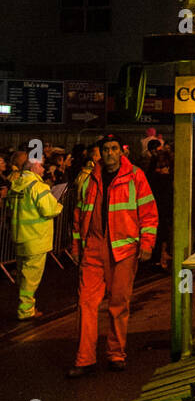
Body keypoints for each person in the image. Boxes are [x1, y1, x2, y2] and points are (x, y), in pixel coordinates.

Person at [68, 133, 158, 377]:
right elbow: (80, 216)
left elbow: (148, 212)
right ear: (100, 152)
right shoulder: (89, 179)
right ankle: (84, 358)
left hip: (124, 248)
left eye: (114, 148)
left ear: (121, 151)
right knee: (86, 304)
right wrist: (77, 247)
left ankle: (116, 354)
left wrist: (147, 243)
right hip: (94, 248)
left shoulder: (135, 176)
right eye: (105, 149)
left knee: (118, 304)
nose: (109, 153)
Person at [6, 147, 63, 320]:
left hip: (20, 237)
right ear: (33, 167)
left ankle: (25, 307)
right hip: (36, 239)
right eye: (41, 166)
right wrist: (58, 204)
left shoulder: (16, 185)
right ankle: (26, 311)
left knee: (24, 275)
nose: (44, 169)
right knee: (31, 279)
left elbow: (9, 209)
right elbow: (49, 209)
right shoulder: (38, 187)